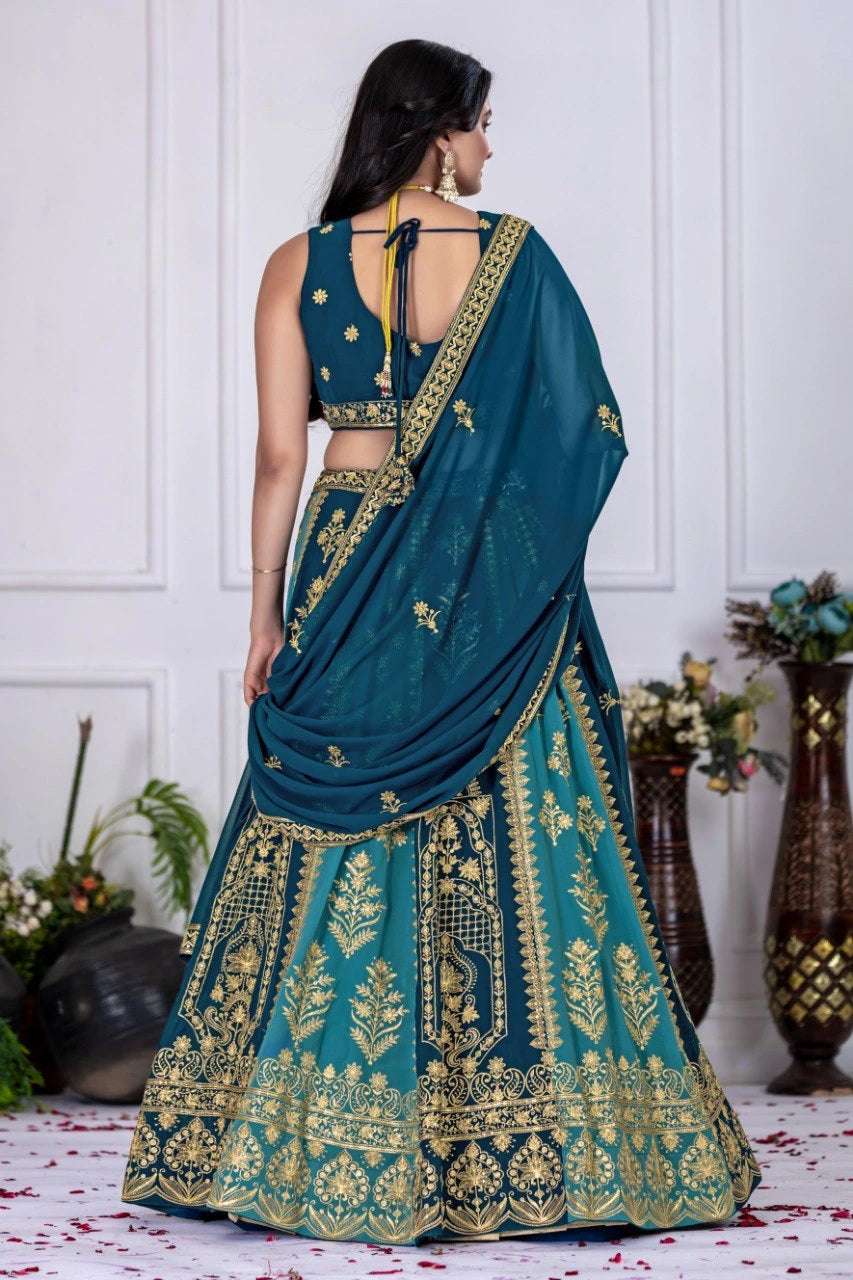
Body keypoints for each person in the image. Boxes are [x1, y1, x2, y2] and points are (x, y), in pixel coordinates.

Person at [120, 38, 762, 1246]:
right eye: (480, 125)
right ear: (438, 128)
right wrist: (503, 572)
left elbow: (277, 459)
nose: (488, 149)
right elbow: (586, 431)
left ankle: (296, 1140)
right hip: (482, 573)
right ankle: (541, 1141)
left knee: (331, 830)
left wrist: (263, 615)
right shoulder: (513, 259)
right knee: (522, 836)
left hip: (345, 558)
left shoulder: (296, 265)